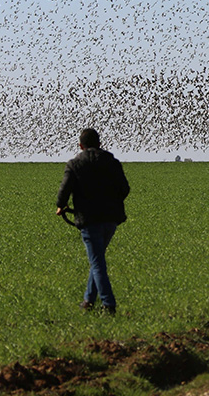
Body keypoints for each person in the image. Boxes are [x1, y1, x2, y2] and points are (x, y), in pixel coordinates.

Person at [56, 128, 130, 314]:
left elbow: (64, 190)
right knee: (97, 259)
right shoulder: (112, 162)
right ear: (99, 144)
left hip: (89, 220)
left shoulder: (75, 164)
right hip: (111, 220)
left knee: (97, 262)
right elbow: (125, 189)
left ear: (81, 146)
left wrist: (60, 206)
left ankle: (108, 304)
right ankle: (88, 301)